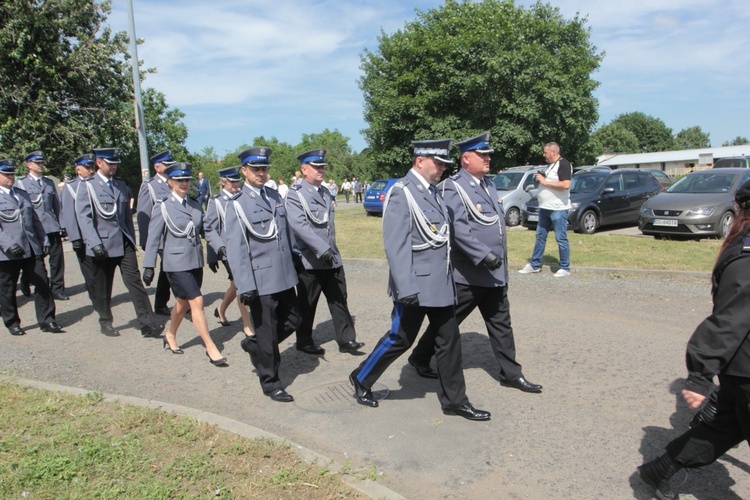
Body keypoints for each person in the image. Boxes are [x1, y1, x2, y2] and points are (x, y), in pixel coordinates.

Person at [349, 139, 490, 421]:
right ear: (420, 161)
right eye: (438, 163)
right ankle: (361, 377)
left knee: (449, 341)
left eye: (444, 164)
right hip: (415, 284)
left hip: (439, 284)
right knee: (399, 338)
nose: (442, 169)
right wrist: (405, 286)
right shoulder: (402, 192)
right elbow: (396, 244)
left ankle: (454, 401)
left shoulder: (433, 193)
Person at [638, 180, 750, 500]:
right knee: (726, 424)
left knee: (724, 428)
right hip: (745, 370)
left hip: (740, 369)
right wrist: (699, 377)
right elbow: (729, 320)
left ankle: (662, 468)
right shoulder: (746, 257)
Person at [409, 132, 542, 393]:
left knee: (502, 324)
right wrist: (483, 255)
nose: (488, 158)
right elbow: (458, 230)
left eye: (488, 154)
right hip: (468, 275)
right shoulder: (453, 187)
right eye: (483, 154)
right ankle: (420, 357)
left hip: (494, 274)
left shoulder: (489, 185)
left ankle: (511, 374)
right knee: (447, 324)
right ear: (466, 158)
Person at [224, 146, 301, 403]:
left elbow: (285, 232)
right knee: (268, 331)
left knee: (293, 319)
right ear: (244, 171)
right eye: (255, 169)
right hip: (260, 279)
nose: (261, 173)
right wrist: (244, 284)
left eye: (264, 168)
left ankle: (255, 345)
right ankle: (271, 382)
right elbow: (236, 249)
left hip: (283, 274)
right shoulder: (236, 204)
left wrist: (295, 258)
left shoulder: (274, 196)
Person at [142, 162, 226, 365]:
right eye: (179, 180)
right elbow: (153, 237)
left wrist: (221, 248)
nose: (184, 183)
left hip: (195, 261)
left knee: (181, 303)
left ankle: (170, 334)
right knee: (196, 301)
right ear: (170, 182)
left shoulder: (195, 205)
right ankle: (210, 346)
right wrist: (148, 265)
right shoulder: (162, 206)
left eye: (186, 179)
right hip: (175, 263)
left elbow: (207, 230)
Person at [75, 147, 164, 338]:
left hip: (123, 242)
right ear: (99, 163)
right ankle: (105, 321)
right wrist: (94, 243)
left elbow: (125, 217)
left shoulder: (120, 185)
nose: (114, 166)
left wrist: (132, 240)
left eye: (115, 163)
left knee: (135, 283)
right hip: (102, 245)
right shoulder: (88, 185)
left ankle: (147, 322)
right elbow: (84, 217)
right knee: (103, 287)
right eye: (110, 163)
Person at [286, 149, 365, 356]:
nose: (321, 170)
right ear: (304, 169)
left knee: (339, 297)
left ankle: (347, 339)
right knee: (307, 303)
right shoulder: (295, 195)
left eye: (322, 167)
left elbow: (329, 227)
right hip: (310, 261)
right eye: (316, 167)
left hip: (332, 258)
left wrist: (331, 251)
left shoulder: (325, 193)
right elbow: (300, 227)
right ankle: (303, 341)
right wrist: (323, 250)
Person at [0, 158, 62, 335]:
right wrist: (9, 244)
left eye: (11, 173)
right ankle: (12, 322)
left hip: (30, 248)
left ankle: (48, 319)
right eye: (6, 174)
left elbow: (35, 221)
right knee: (7, 289)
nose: (10, 177)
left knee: (42, 283)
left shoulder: (22, 194)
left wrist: (44, 241)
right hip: (7, 253)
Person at [204, 166, 254, 337]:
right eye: (231, 182)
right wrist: (213, 254)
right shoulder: (216, 201)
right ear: (223, 182)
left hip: (245, 247)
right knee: (241, 285)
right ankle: (247, 324)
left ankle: (221, 309)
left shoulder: (241, 197)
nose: (235, 184)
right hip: (228, 251)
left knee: (235, 284)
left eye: (236, 181)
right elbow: (209, 229)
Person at [15, 150, 68, 300]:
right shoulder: (22, 183)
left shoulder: (49, 182)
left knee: (57, 259)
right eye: (37, 163)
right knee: (34, 260)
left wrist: (61, 225)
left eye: (41, 163)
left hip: (51, 226)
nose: (41, 165)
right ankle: (26, 280)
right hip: (33, 228)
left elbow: (57, 206)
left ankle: (57, 288)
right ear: (29, 165)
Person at [518, 142, 572, 277]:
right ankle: (535, 264)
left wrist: (545, 182)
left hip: (558, 208)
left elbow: (566, 185)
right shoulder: (550, 166)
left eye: (545, 152)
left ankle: (564, 267)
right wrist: (540, 179)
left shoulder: (564, 164)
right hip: (544, 208)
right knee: (540, 236)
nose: (544, 155)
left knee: (560, 237)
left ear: (553, 152)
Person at [136, 150, 176, 317]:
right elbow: (143, 214)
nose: (170, 167)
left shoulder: (173, 182)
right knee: (170, 267)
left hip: (174, 235)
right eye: (167, 164)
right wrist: (145, 239)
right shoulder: (150, 185)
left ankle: (161, 303)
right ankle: (180, 300)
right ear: (157, 167)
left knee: (167, 269)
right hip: (159, 236)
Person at [60, 154, 98, 304]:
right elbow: (69, 214)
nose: (91, 170)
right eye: (87, 167)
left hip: (98, 234)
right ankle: (96, 299)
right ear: (78, 170)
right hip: (82, 237)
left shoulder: (97, 184)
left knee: (99, 270)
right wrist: (74, 237)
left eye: (93, 167)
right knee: (89, 270)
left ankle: (100, 295)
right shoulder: (71, 187)